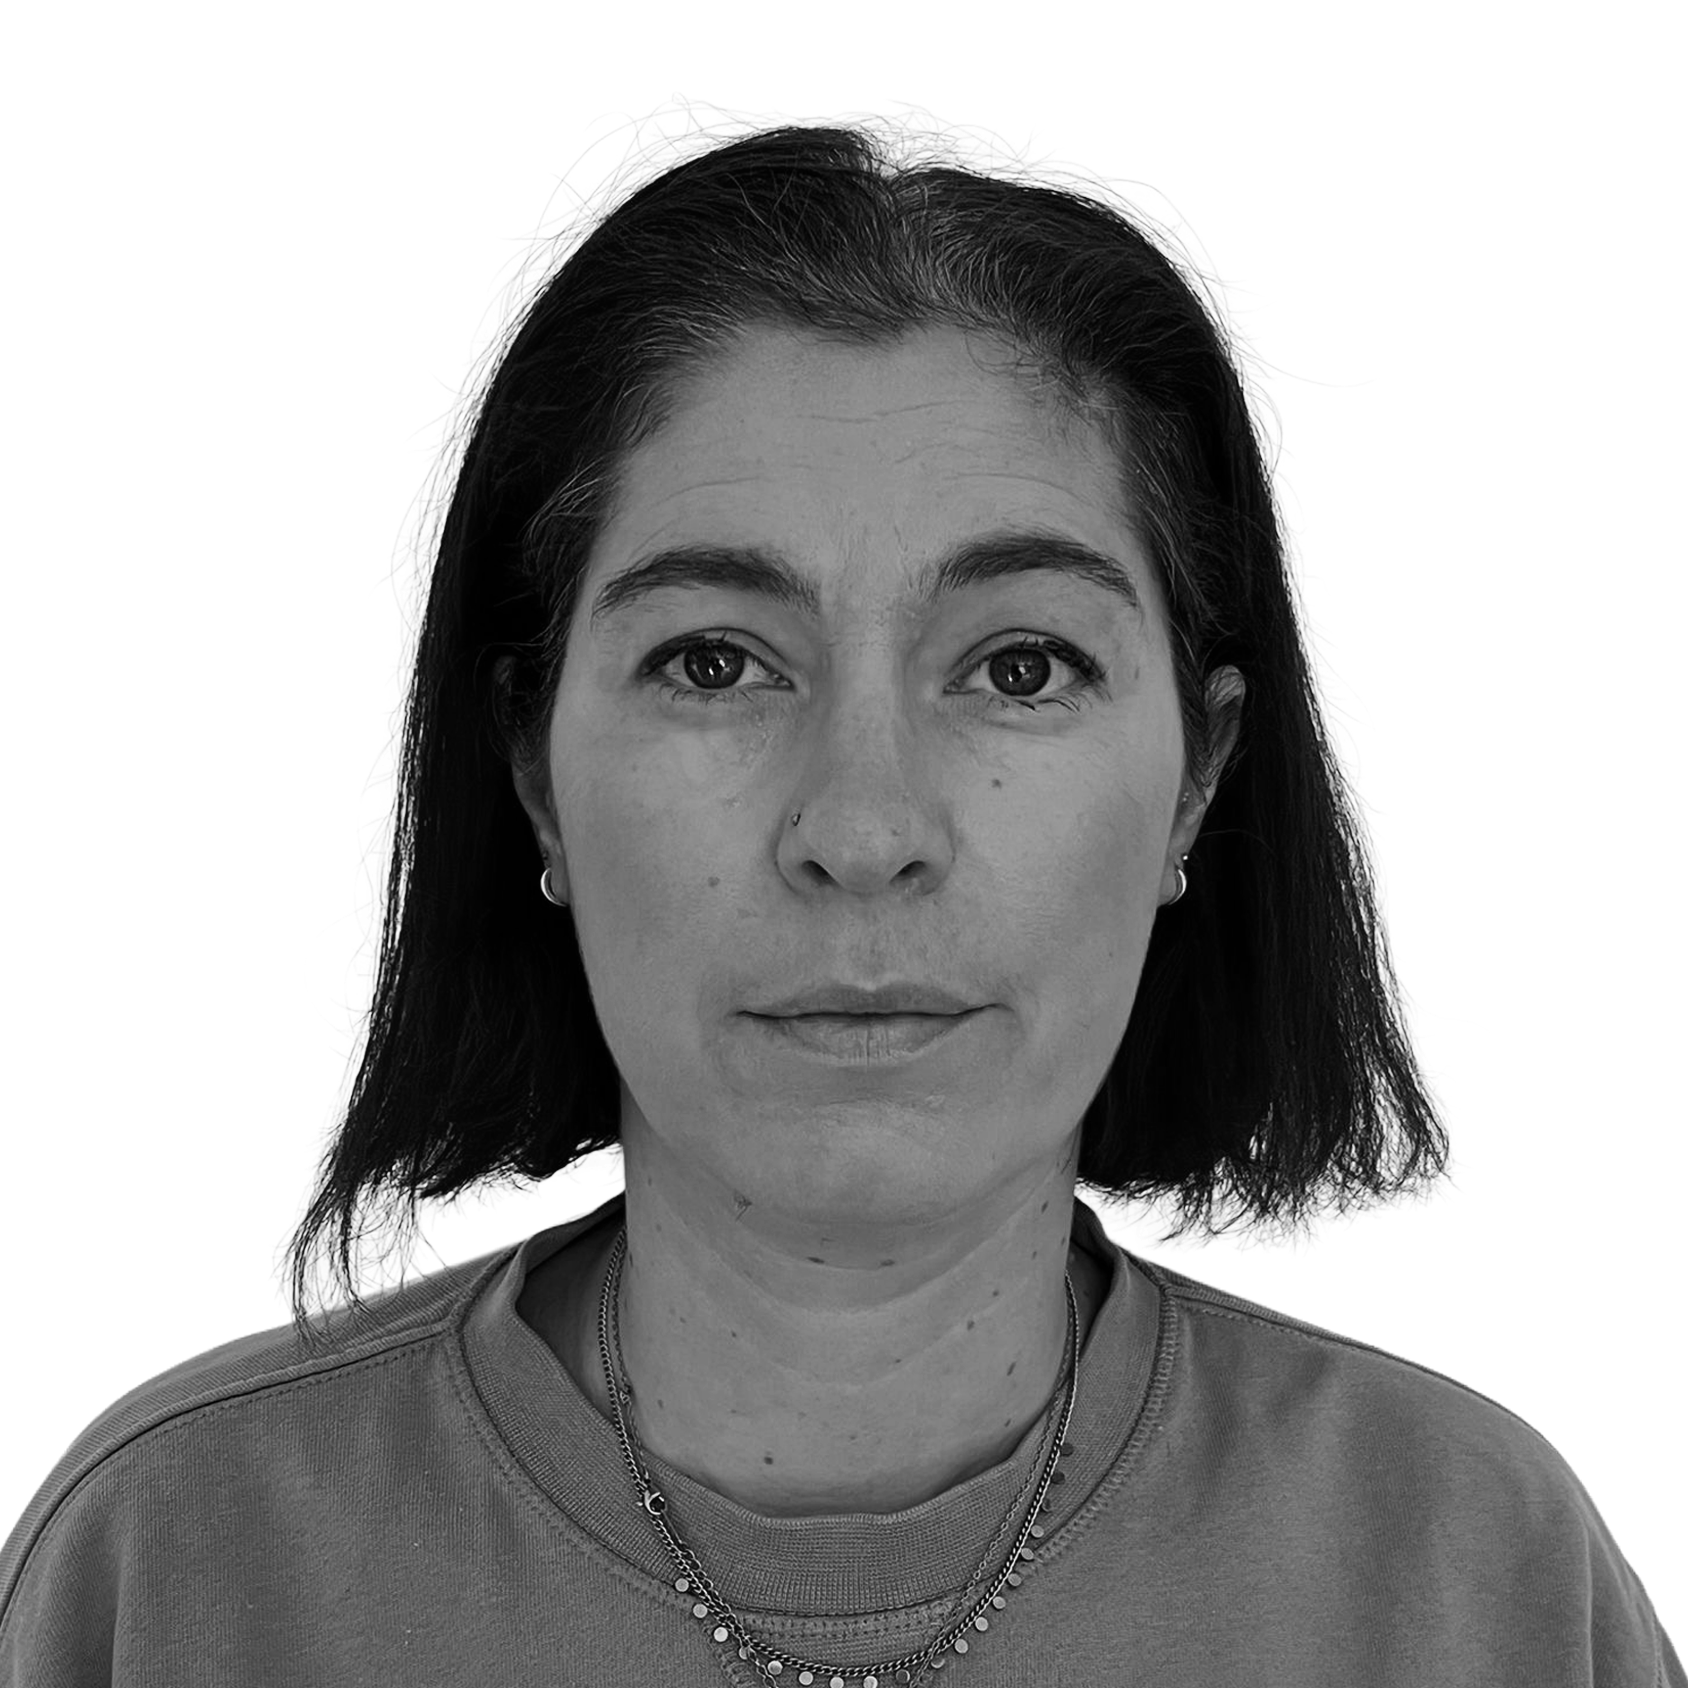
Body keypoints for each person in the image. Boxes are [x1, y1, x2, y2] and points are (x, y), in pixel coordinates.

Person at [2, 118, 1678, 1687]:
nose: (863, 828)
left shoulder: (1479, 1585)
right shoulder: (170, 1577)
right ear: (530, 770)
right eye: (715, 662)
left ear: (1196, 780)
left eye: (1019, 666)